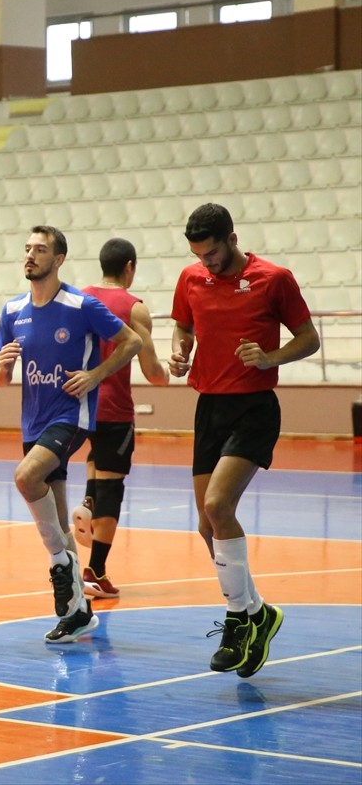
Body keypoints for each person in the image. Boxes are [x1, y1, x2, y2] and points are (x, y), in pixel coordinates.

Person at [170, 203, 319, 677]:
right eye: (199, 255)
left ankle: (238, 620)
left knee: (218, 506)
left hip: (254, 407)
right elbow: (183, 324)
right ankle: (259, 614)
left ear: (232, 238)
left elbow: (309, 339)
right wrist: (181, 350)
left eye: (212, 253)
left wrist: (270, 355)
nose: (207, 263)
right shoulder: (190, 278)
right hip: (208, 408)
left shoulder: (274, 278)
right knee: (206, 526)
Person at [0, 226, 141, 643]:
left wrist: (96, 375)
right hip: (33, 421)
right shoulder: (12, 310)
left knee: (25, 477)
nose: (30, 255)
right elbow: (1, 379)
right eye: (26, 249)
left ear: (58, 259)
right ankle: (79, 612)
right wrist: (3, 366)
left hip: (71, 417)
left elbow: (130, 341)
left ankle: (59, 568)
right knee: (57, 521)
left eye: (40, 249)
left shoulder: (80, 305)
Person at [69, 238, 170, 599]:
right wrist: (168, 375)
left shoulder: (78, 299)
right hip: (114, 404)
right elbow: (151, 367)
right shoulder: (134, 308)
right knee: (113, 484)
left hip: (79, 402)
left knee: (96, 464)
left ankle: (87, 502)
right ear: (130, 267)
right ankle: (96, 571)